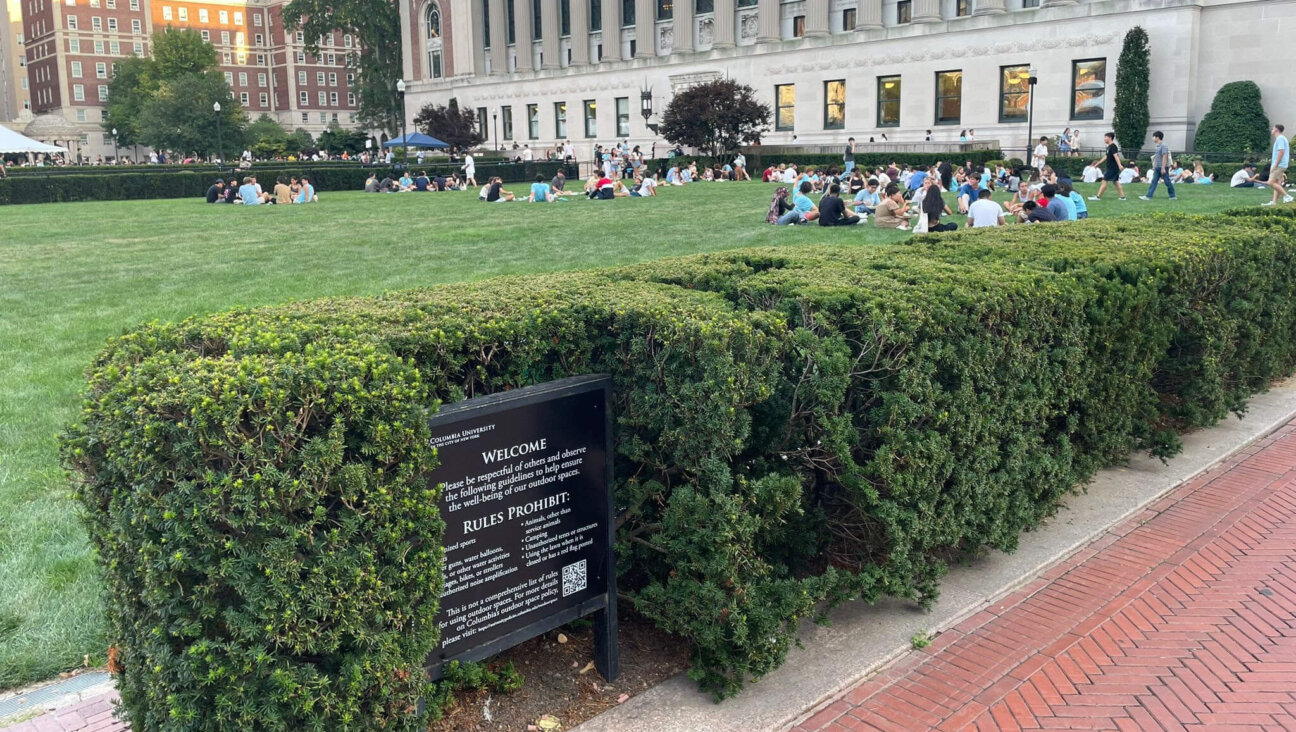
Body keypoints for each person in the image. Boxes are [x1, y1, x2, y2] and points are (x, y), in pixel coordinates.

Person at [1090, 132, 1126, 201]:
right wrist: (1098, 163)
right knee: (1116, 182)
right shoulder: (1109, 147)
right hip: (1111, 167)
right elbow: (1106, 156)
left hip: (1112, 168)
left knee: (1104, 181)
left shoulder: (1113, 147)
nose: (1104, 139)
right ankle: (1122, 197)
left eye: (1105, 137)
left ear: (1109, 138)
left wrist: (1119, 165)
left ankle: (1098, 197)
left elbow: (1116, 156)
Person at [1263, 123, 1293, 206]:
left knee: (1270, 182)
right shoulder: (1282, 138)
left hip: (1279, 165)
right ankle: (1274, 202)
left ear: (1276, 129)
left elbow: (1281, 151)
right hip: (1281, 164)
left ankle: (1287, 196)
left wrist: (1275, 164)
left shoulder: (1280, 138)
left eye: (1273, 129)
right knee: (1277, 183)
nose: (1272, 130)